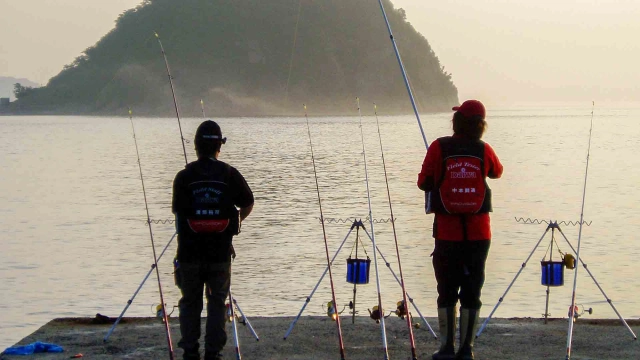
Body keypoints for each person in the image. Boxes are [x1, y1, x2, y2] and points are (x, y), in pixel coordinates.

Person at [417, 100, 503, 360]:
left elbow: (423, 183)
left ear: (457, 121)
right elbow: (497, 172)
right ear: (481, 125)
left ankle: (446, 348)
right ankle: (467, 349)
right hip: (479, 234)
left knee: (446, 290)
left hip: (447, 233)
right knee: (472, 290)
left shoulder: (438, 147)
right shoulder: (484, 149)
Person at [172, 120, 254, 360]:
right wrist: (235, 223)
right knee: (217, 301)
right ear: (220, 147)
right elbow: (248, 202)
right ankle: (213, 353)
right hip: (220, 253)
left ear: (196, 146)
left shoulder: (183, 177)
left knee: (189, 302)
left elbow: (178, 214)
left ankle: (189, 351)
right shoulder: (230, 174)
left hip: (189, 254)